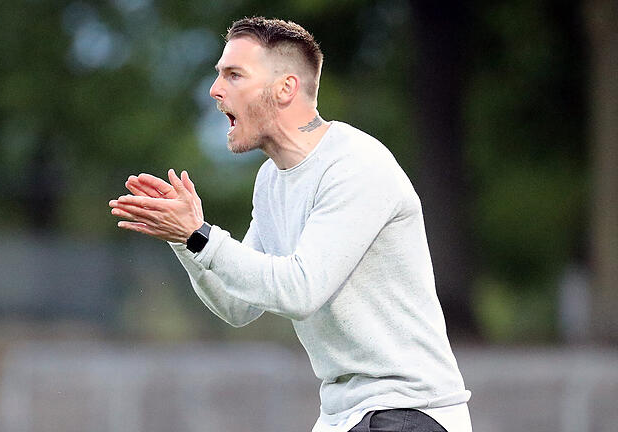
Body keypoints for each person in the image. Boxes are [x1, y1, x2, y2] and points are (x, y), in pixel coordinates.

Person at [109, 17, 472, 432]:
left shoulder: (355, 166)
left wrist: (199, 235)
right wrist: (184, 238)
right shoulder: (270, 181)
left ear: (285, 88)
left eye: (234, 74)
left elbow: (300, 290)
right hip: (346, 415)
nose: (215, 89)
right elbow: (237, 305)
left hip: (407, 412)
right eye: (218, 75)